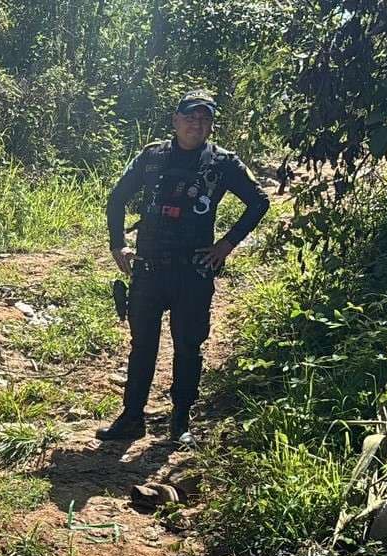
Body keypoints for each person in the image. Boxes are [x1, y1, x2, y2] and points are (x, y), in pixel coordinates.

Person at [97, 90, 270, 444]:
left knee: (188, 346)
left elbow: (259, 202)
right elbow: (117, 199)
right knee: (142, 344)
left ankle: (180, 422)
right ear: (175, 121)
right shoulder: (152, 157)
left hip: (193, 272)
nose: (197, 124)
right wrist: (119, 245)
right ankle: (132, 417)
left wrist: (227, 244)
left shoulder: (222, 163)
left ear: (211, 126)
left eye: (205, 119)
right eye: (191, 117)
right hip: (147, 268)